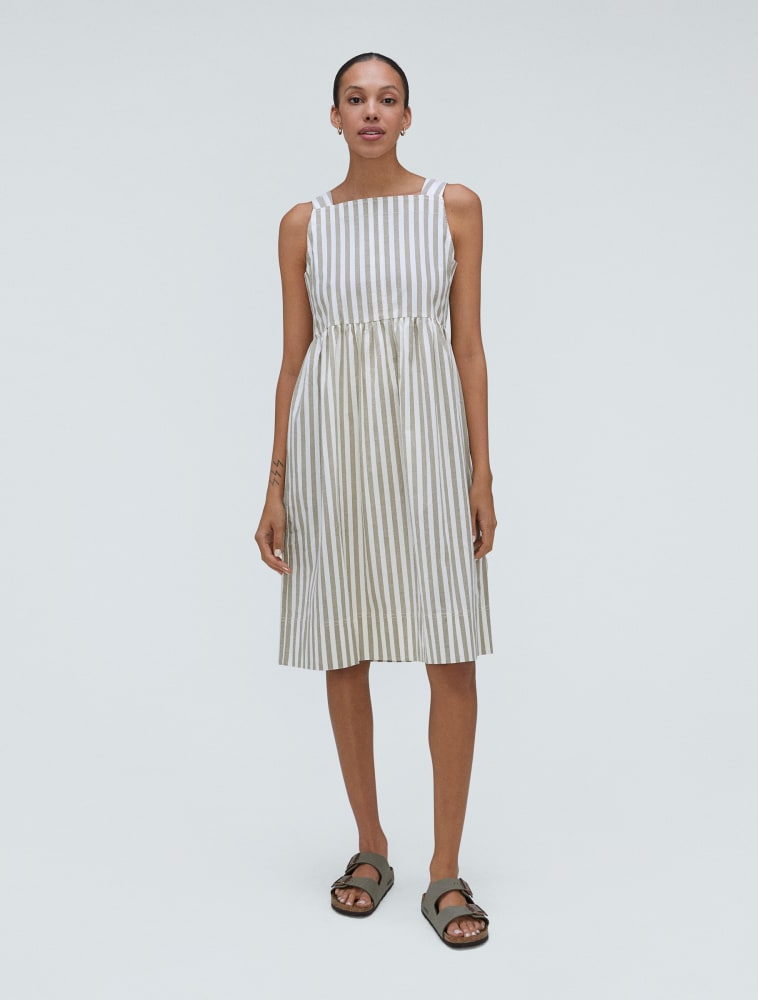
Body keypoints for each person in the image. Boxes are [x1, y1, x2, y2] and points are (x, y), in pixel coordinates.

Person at [255, 52, 496, 948]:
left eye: (386, 99)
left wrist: (480, 472)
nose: (370, 112)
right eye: (354, 99)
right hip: (334, 449)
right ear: (333, 116)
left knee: (450, 649)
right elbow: (294, 361)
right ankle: (371, 846)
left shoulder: (452, 207)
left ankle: (446, 869)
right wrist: (276, 483)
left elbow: (468, 349)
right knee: (344, 645)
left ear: (407, 115)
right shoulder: (304, 224)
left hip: (429, 446)